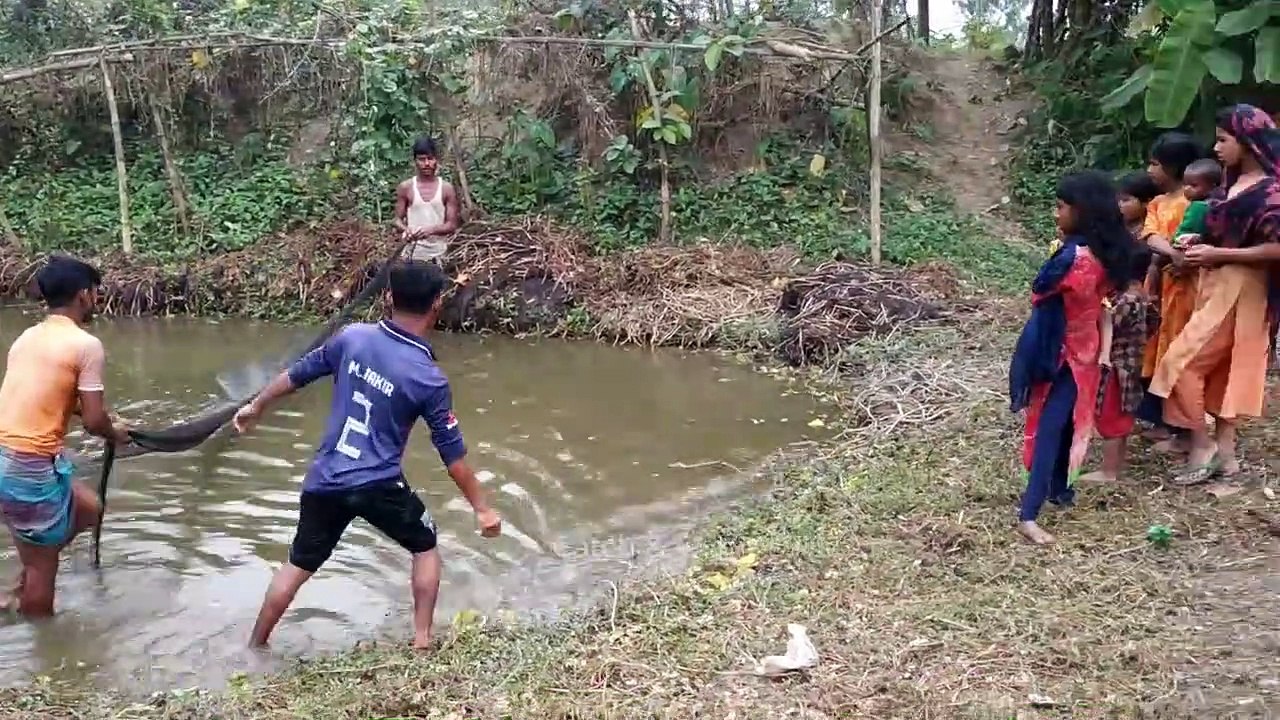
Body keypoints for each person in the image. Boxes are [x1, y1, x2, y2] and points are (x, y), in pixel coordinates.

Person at [233, 259, 501, 649]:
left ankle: (255, 644)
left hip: (325, 479)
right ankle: (422, 640)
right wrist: (482, 508)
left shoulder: (351, 338)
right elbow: (452, 456)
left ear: (389, 298)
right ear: (436, 306)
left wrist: (255, 406)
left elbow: (297, 374)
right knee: (425, 546)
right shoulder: (428, 377)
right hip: (379, 485)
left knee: (297, 564)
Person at [1150, 104, 1280, 485]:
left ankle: (1202, 444)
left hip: (1245, 286)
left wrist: (1220, 253)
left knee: (1181, 362)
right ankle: (1226, 455)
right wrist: (1200, 239)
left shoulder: (1272, 191)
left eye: (1224, 139)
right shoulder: (1231, 183)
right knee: (1223, 368)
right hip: (1215, 283)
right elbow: (1222, 232)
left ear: (1249, 141)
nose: (1217, 147)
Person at [1008, 170, 1136, 544]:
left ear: (1082, 211)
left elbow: (1041, 292)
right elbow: (1099, 304)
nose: (1056, 214)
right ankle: (1060, 490)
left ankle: (1029, 514)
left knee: (1049, 425)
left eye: (1061, 207)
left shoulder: (1075, 259)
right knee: (1067, 420)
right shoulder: (1104, 254)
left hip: (1060, 350)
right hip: (1085, 348)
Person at [0, 255, 131, 616]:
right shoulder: (85, 345)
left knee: (89, 509)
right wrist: (114, 430)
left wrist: (104, 418)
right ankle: (43, 654)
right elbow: (92, 421)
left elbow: (46, 393)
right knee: (44, 571)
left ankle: (20, 583)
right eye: (95, 293)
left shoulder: (29, 337)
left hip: (7, 457)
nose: (97, 300)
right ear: (83, 296)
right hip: (28, 465)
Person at [1137, 133, 1208, 452]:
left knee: (1181, 352)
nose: (1150, 170)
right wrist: (1172, 254)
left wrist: (1183, 259)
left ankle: (1185, 428)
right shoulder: (1157, 202)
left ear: (1173, 166)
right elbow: (1150, 235)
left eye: (1154, 163)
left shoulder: (1197, 204)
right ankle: (1164, 421)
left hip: (1189, 288)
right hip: (1161, 285)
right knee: (1156, 350)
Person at [1081, 244, 1160, 484]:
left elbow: (1106, 324)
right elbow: (1154, 323)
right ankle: (1115, 468)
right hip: (1131, 364)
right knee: (1122, 417)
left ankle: (1109, 472)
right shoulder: (1143, 297)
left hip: (1116, 367)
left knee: (1110, 417)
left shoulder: (1126, 300)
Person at [393, 137, 461, 264]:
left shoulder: (446, 188)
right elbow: (397, 220)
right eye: (422, 159)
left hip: (439, 255)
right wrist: (407, 230)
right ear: (415, 161)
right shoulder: (406, 187)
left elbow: (452, 224)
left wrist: (430, 230)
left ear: (436, 160)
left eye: (430, 158)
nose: (427, 163)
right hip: (411, 255)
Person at [1171, 158, 1223, 249]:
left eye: (1193, 185)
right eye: (1185, 184)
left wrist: (1173, 242)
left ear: (1212, 186)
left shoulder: (1199, 207)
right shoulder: (1221, 204)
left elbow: (1184, 233)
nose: (1187, 189)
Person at [1117, 171, 1161, 239]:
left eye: (1125, 200)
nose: (1119, 204)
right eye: (1118, 200)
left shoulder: (1157, 229)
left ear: (1147, 202)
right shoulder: (1115, 228)